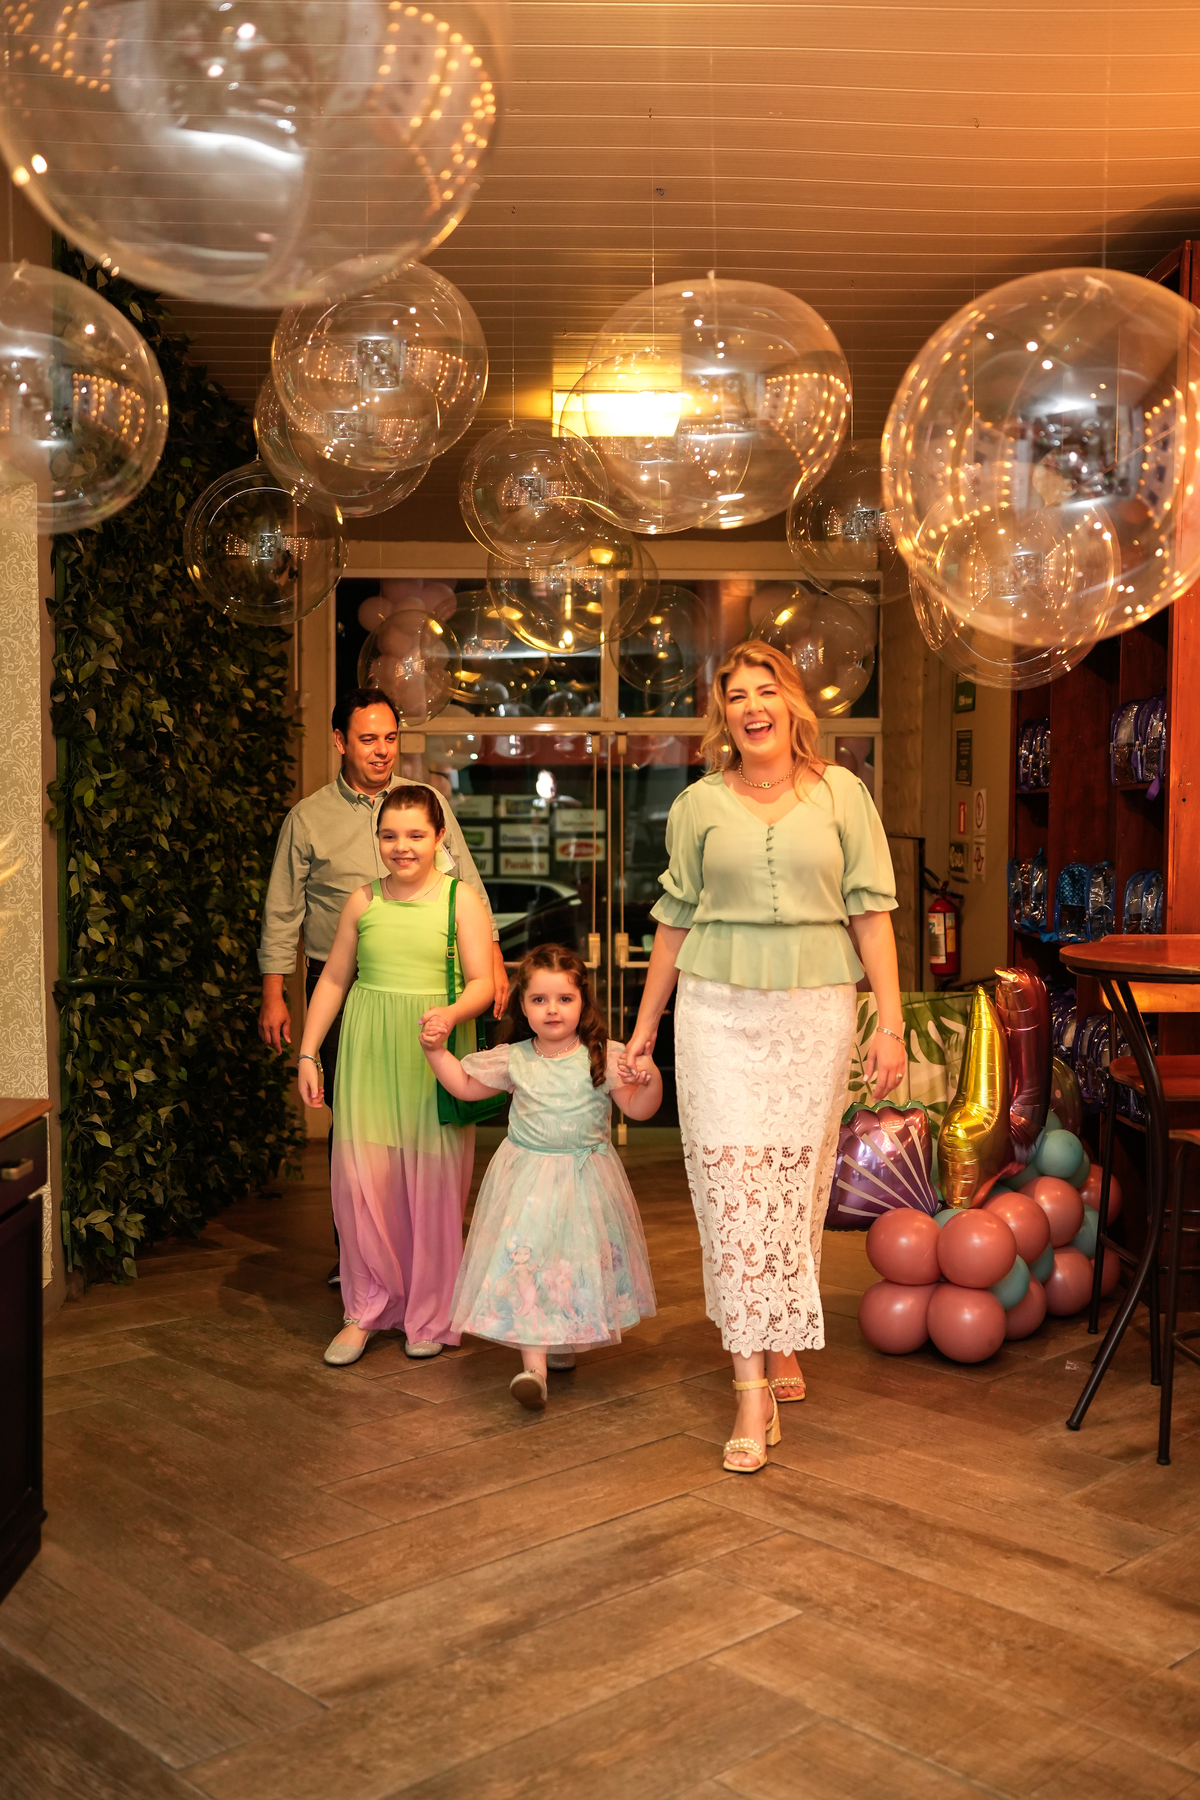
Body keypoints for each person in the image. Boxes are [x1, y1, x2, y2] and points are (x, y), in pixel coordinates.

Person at [621, 640, 905, 1474]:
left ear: (791, 704)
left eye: (765, 689)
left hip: (815, 1012)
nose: (752, 706)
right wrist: (644, 1026)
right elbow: (673, 921)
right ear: (725, 716)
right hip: (716, 1011)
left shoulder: (843, 793)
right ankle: (749, 1388)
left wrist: (889, 1023)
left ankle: (781, 1333)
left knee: (796, 1184)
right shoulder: (698, 804)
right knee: (733, 1189)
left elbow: (872, 916)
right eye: (736, 694)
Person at [258, 685, 509, 1286]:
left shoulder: (426, 805)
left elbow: (469, 887)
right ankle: (361, 1258)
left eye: (390, 738)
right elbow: (283, 910)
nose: (381, 750)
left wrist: (493, 962)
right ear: (340, 742)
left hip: (433, 985)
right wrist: (274, 990)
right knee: (357, 1123)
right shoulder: (309, 818)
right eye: (367, 739)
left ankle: (425, 1257)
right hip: (345, 983)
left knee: (429, 1121)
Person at [297, 785, 494, 1365]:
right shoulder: (362, 900)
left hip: (434, 1052)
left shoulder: (461, 899)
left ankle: (429, 1313)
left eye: (415, 835)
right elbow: (334, 979)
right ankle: (364, 1309)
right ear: (377, 839)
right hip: (367, 1050)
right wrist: (308, 1053)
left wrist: (450, 1016)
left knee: (433, 1188)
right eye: (389, 835)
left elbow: (483, 982)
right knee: (364, 1184)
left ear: (439, 838)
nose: (401, 847)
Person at [423, 943, 661, 1410]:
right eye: (539, 1000)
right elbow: (465, 1087)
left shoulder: (602, 1055)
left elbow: (638, 1109)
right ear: (523, 1006)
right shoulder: (516, 1058)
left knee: (572, 1262)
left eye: (564, 999)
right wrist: (435, 1052)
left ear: (583, 1002)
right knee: (529, 1264)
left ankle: (564, 1336)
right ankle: (534, 1368)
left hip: (586, 1179)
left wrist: (649, 1078)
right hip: (528, 1180)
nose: (552, 1009)